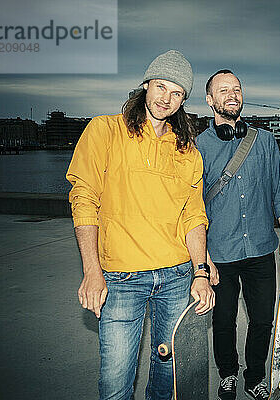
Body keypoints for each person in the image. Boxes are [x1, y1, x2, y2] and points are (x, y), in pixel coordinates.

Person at [66, 50, 214, 400]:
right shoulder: (104, 130)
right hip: (121, 278)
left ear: (184, 100)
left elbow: (193, 214)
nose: (166, 98)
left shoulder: (187, 150)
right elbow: (84, 198)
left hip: (177, 277)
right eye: (161, 86)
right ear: (145, 85)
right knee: (116, 380)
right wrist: (91, 270)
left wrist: (202, 272)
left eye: (177, 93)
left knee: (169, 375)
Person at [195, 70, 280, 400]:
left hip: (261, 248)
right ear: (210, 100)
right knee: (223, 321)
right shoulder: (198, 146)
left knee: (263, 319)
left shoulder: (264, 141)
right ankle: (227, 373)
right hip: (219, 253)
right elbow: (192, 205)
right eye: (223, 90)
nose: (232, 94)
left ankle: (255, 377)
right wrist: (202, 258)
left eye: (236, 89)